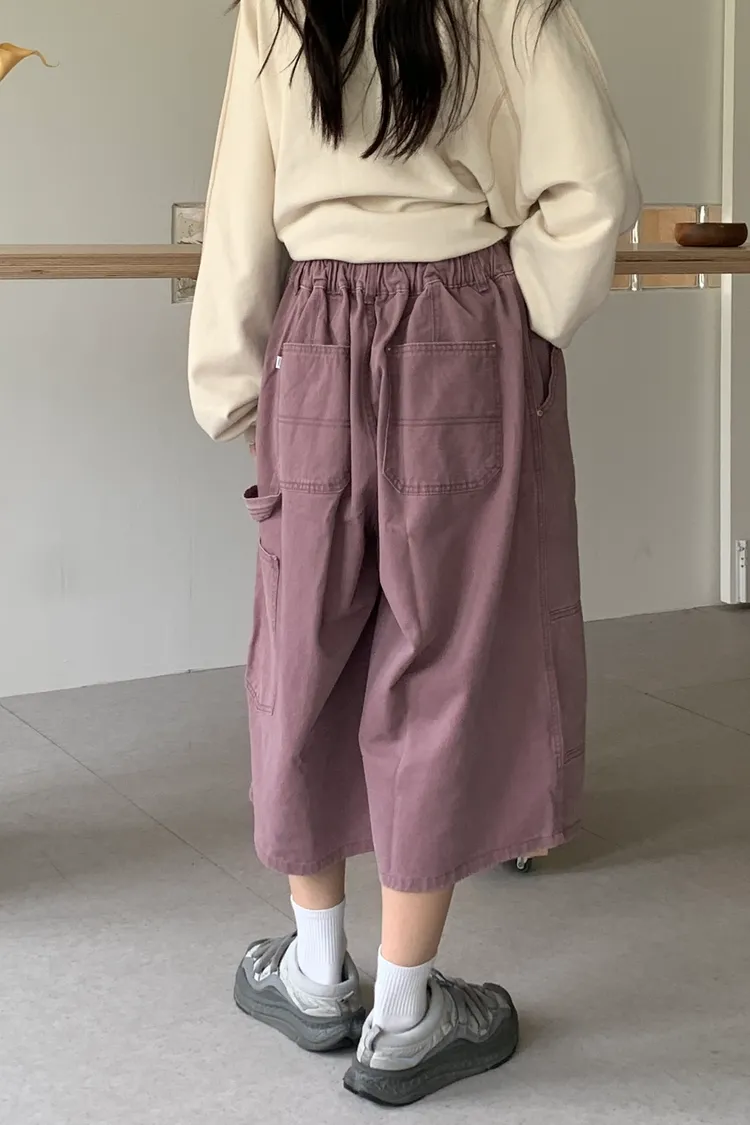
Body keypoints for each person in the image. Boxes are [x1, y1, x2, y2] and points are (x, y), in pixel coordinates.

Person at [188, 0, 640, 1106]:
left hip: (314, 327)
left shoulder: (275, 8)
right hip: (463, 326)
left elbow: (241, 212)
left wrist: (233, 386)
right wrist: (520, 311)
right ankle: (405, 1011)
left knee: (304, 645)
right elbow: (591, 187)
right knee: (446, 655)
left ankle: (314, 972)